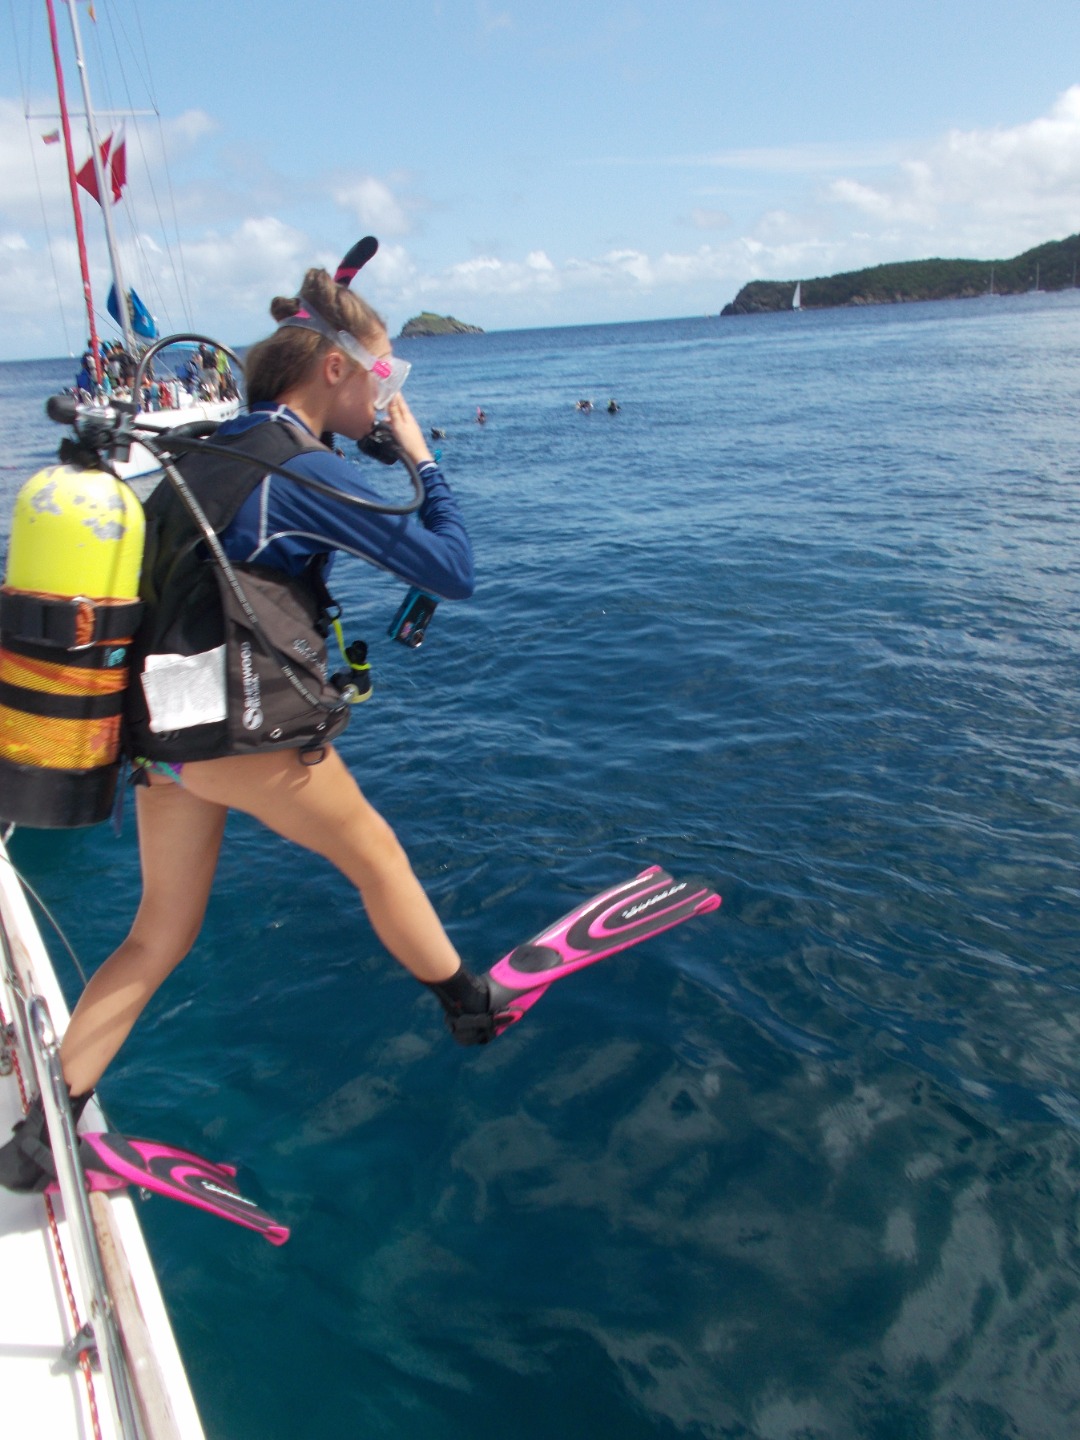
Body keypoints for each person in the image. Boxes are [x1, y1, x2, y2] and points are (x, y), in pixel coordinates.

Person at [0, 266, 498, 1193]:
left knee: (159, 931)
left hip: (157, 736)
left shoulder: (207, 449)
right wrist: (422, 459)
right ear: (334, 370)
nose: (388, 397)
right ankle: (472, 1005)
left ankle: (39, 1140)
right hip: (236, 736)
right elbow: (452, 569)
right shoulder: (297, 468)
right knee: (377, 857)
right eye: (384, 376)